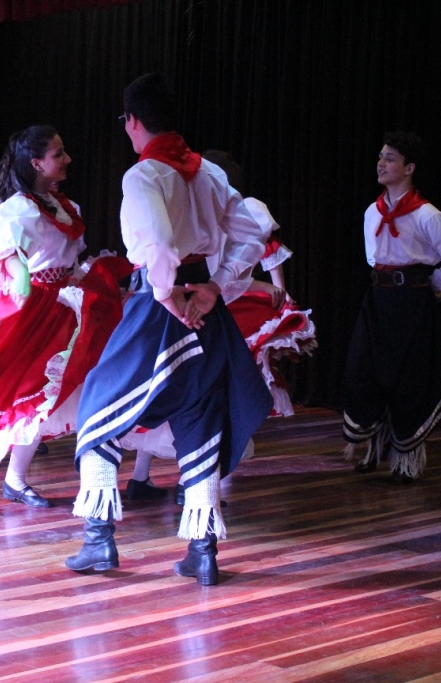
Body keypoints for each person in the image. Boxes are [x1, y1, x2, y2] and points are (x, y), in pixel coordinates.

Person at [65, 73, 273, 586]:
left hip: (160, 306)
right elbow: (253, 234)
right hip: (203, 304)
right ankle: (203, 551)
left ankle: (98, 538)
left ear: (133, 121)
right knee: (199, 415)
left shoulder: (144, 175)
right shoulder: (211, 174)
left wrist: (166, 295)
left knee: (97, 406)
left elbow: (157, 245)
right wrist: (215, 287)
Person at [0, 125, 129, 523]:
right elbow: (10, 261)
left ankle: (16, 480)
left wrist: (93, 282)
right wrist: (22, 278)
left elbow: (67, 263)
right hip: (25, 313)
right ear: (36, 163)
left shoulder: (64, 207)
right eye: (58, 154)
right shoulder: (15, 210)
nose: (67, 159)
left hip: (60, 311)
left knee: (43, 400)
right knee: (12, 397)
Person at [122, 150, 318, 502]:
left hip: (189, 296)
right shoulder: (220, 204)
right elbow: (245, 262)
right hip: (209, 303)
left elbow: (255, 254)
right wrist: (262, 287)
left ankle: (153, 480)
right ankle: (195, 484)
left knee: (170, 384)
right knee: (203, 393)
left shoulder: (187, 202)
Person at [342, 131, 441, 484]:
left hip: (412, 303)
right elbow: (372, 258)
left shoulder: (428, 216)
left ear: (409, 168)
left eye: (390, 158)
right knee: (366, 373)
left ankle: (405, 460)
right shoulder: (373, 211)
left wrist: (432, 288)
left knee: (409, 380)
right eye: (380, 156)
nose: (381, 163)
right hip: (378, 300)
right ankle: (372, 447)